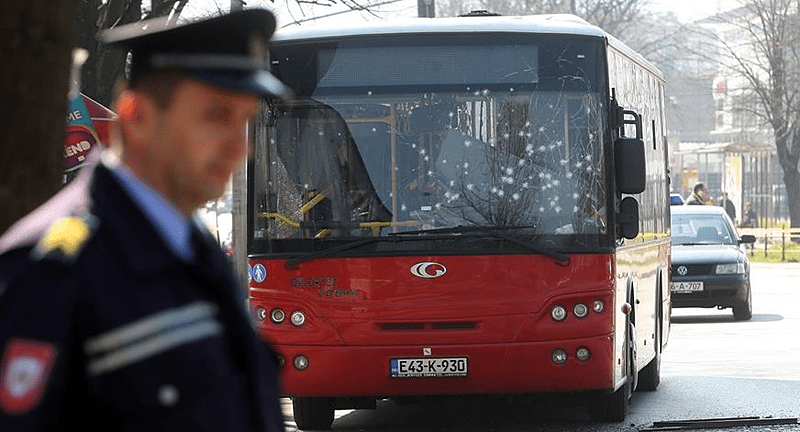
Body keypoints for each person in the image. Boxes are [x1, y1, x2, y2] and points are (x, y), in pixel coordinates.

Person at [0, 9, 290, 431]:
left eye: (246, 120)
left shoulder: (193, 250)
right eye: (217, 115)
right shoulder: (51, 271)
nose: (239, 147)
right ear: (137, 116)